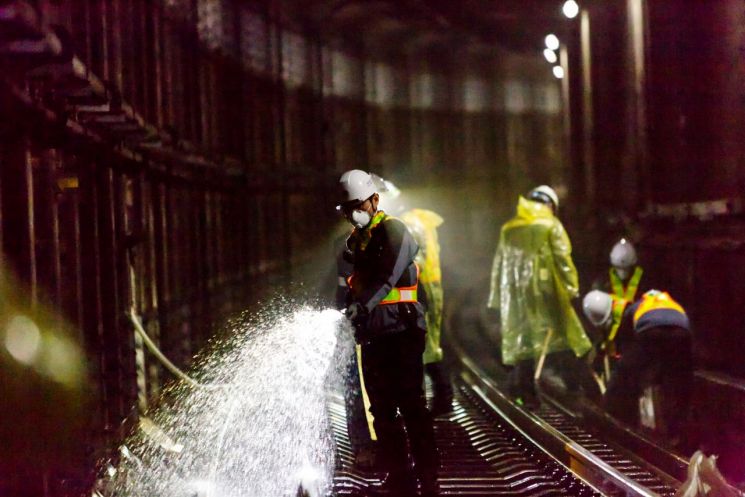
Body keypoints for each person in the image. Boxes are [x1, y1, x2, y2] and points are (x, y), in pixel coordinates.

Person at [338, 170, 439, 497]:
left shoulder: (395, 231)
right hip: (372, 336)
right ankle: (400, 479)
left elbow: (388, 275)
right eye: (347, 207)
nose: (354, 212)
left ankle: (428, 479)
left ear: (374, 200)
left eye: (357, 205)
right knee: (381, 411)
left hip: (402, 332)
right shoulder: (353, 243)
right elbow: (348, 285)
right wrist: (344, 310)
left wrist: (363, 305)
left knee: (411, 406)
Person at [487, 185, 596, 406]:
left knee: (524, 343)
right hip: (548, 296)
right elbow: (563, 260)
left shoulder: (509, 228)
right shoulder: (550, 225)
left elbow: (499, 265)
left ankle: (525, 394)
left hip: (516, 300)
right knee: (566, 339)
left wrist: (497, 298)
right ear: (549, 205)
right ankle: (577, 390)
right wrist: (572, 289)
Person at [582, 289, 693, 436]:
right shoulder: (657, 303)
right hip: (683, 332)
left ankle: (609, 420)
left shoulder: (631, 310)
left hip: (650, 330)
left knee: (624, 377)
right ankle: (678, 433)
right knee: (677, 383)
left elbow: (626, 347)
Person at [399, 208, 454, 415]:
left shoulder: (410, 225)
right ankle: (442, 397)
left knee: (427, 346)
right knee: (429, 344)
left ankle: (443, 398)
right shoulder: (423, 224)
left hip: (422, 288)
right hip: (430, 286)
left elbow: (413, 259)